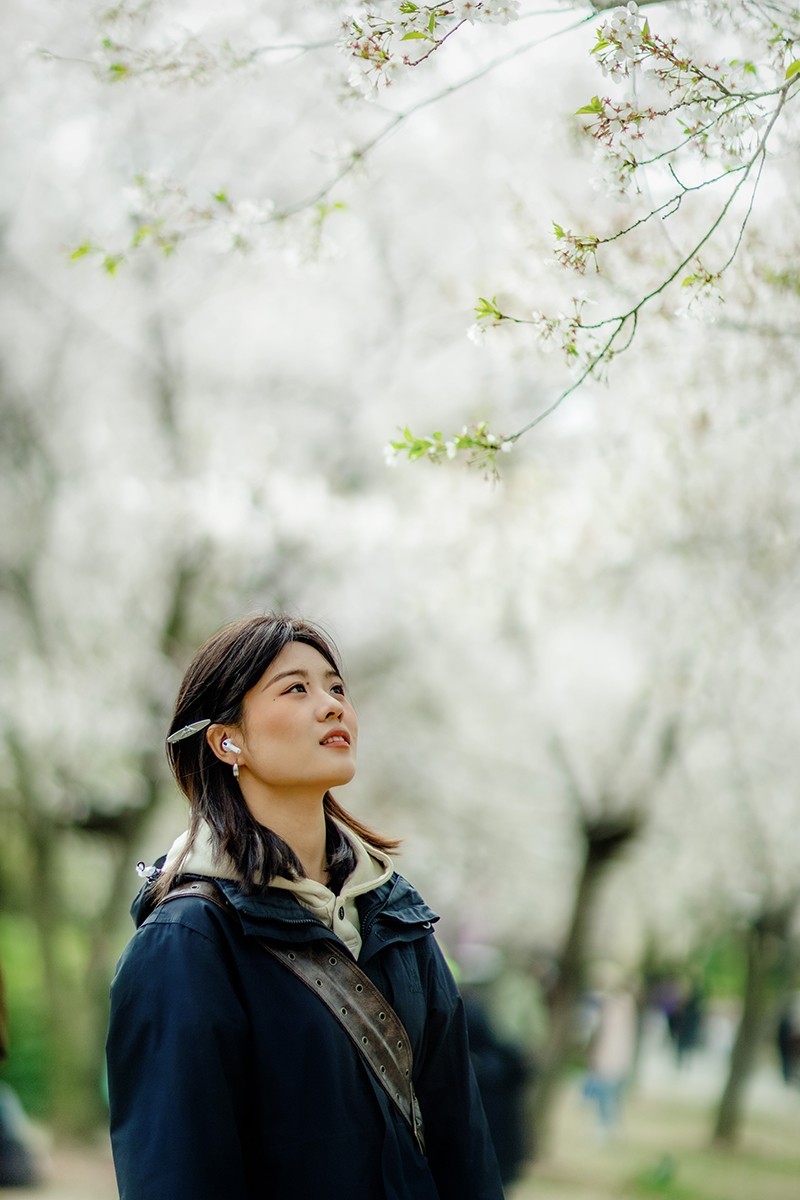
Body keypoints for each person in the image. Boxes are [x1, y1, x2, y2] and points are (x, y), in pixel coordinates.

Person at [106, 614, 504, 1200]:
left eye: (337, 687)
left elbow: (461, 1144)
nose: (332, 706)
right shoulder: (187, 941)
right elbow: (177, 1172)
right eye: (296, 688)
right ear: (226, 740)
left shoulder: (396, 916)